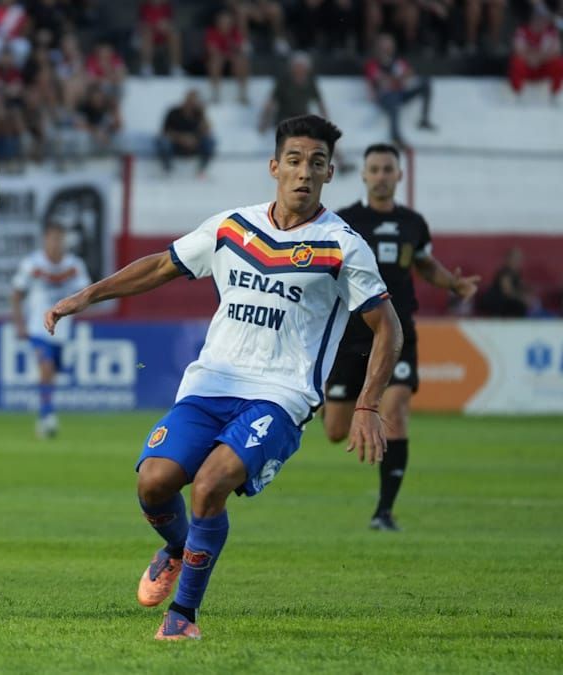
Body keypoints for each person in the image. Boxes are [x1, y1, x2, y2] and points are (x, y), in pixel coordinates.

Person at [45, 115, 401, 641]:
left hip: (280, 396)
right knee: (153, 483)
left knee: (210, 486)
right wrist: (87, 295)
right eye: (295, 160)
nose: (305, 172)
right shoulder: (232, 227)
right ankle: (176, 548)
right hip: (211, 384)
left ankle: (182, 618)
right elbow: (161, 266)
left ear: (329, 173)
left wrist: (367, 405)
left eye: (317, 163)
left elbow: (387, 327)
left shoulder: (342, 246)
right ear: (275, 166)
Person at [324, 143, 480, 532]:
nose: (381, 176)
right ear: (364, 175)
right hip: (351, 334)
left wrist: (452, 283)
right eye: (374, 169)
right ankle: (332, 403)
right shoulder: (343, 222)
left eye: (387, 169)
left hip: (397, 333)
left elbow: (424, 263)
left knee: (394, 411)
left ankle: (384, 512)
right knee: (335, 431)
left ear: (400, 175)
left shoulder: (413, 223)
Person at [10, 222, 91, 439]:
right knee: (45, 367)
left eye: (59, 239)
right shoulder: (32, 264)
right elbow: (16, 294)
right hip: (38, 328)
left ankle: (45, 413)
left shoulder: (74, 265)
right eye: (52, 238)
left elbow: (86, 294)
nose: (56, 244)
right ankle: (47, 417)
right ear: (45, 239)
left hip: (63, 330)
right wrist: (19, 324)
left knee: (52, 373)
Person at [364, 33, 435, 147]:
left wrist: (394, 79)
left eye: (388, 46)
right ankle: (395, 135)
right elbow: (380, 81)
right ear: (378, 48)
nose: (386, 49)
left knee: (425, 83)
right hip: (385, 97)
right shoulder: (372, 64)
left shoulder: (397, 61)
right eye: (383, 46)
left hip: (400, 93)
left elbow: (409, 73)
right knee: (393, 99)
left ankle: (424, 120)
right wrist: (397, 78)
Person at [509, 5, 563, 102]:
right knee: (517, 62)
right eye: (537, 18)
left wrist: (538, 58)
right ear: (532, 19)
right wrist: (534, 58)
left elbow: (556, 51)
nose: (539, 22)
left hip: (543, 67)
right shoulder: (522, 31)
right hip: (527, 67)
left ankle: (555, 94)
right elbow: (518, 50)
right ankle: (517, 93)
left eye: (542, 19)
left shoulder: (551, 32)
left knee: (559, 62)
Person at [157, 89, 215, 177]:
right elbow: (165, 132)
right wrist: (181, 138)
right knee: (163, 142)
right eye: (189, 100)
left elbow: (208, 132)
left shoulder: (199, 114)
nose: (191, 103)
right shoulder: (173, 112)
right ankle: (168, 170)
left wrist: (203, 113)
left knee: (210, 141)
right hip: (176, 144)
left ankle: (202, 171)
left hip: (194, 145)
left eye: (194, 101)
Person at [204, 9, 250, 104]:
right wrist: (229, 54)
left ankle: (243, 94)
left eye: (228, 22)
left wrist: (232, 53)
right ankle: (215, 93)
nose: (226, 24)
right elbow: (212, 51)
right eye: (223, 22)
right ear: (218, 23)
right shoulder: (212, 32)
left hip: (232, 65)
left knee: (242, 61)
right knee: (216, 61)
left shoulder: (235, 33)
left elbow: (241, 49)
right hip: (216, 64)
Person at [477, 247, 538, 317]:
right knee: (520, 305)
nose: (518, 262)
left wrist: (529, 294)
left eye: (519, 259)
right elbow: (507, 292)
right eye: (515, 259)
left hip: (507, 301)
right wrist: (523, 299)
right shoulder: (505, 273)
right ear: (508, 259)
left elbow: (520, 286)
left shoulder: (516, 273)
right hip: (498, 303)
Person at [136, 0, 182, 76]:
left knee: (175, 35)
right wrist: (155, 26)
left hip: (163, 36)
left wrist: (166, 26)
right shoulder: (144, 7)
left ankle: (175, 67)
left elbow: (172, 23)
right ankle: (146, 67)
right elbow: (141, 25)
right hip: (147, 36)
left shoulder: (167, 7)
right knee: (147, 34)